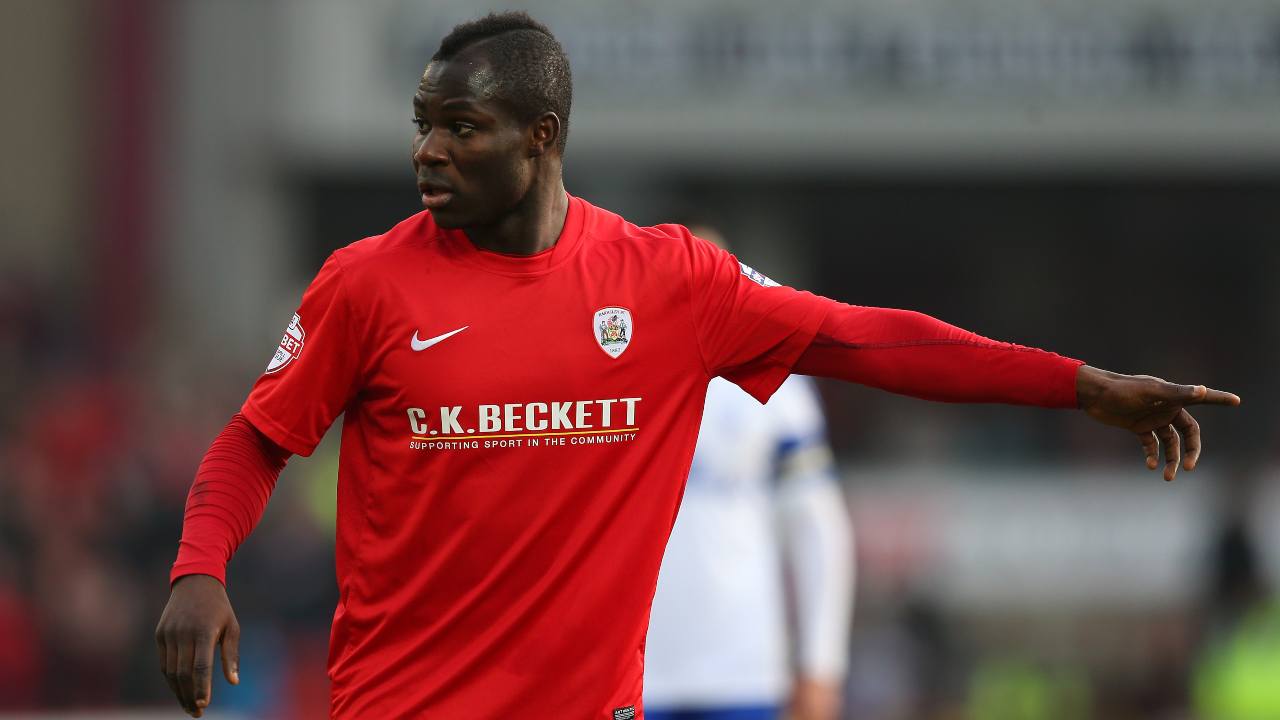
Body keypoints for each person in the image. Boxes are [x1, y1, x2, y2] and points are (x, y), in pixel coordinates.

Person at [155, 11, 1240, 720]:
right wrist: (200, 568)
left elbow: (868, 340)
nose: (426, 151)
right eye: (420, 124)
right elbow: (256, 440)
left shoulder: (667, 282)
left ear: (541, 137)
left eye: (460, 127)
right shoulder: (365, 285)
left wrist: (1081, 386)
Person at [644, 227, 852, 720]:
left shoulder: (776, 383)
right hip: (635, 669)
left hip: (743, 668)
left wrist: (822, 662)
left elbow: (818, 527)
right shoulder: (611, 377)